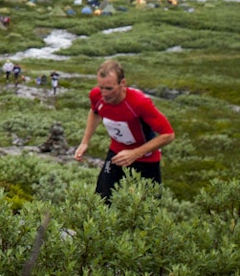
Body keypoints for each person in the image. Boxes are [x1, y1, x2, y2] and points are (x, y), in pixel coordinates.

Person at [74, 60, 175, 201]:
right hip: (117, 154)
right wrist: (85, 142)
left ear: (122, 83)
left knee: (149, 206)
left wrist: (135, 153)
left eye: (109, 88)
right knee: (101, 200)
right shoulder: (96, 96)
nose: (104, 93)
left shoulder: (139, 103)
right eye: (101, 87)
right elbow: (95, 112)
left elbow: (168, 135)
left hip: (146, 160)